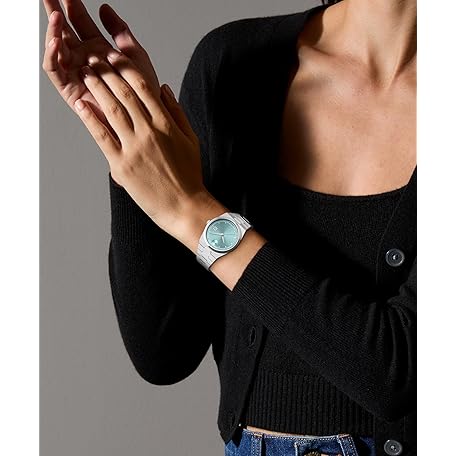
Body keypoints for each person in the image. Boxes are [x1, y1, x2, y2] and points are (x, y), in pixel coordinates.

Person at [42, 0, 417, 455]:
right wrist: (133, 137)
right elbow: (164, 351)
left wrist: (196, 215)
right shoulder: (235, 64)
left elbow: (397, 372)